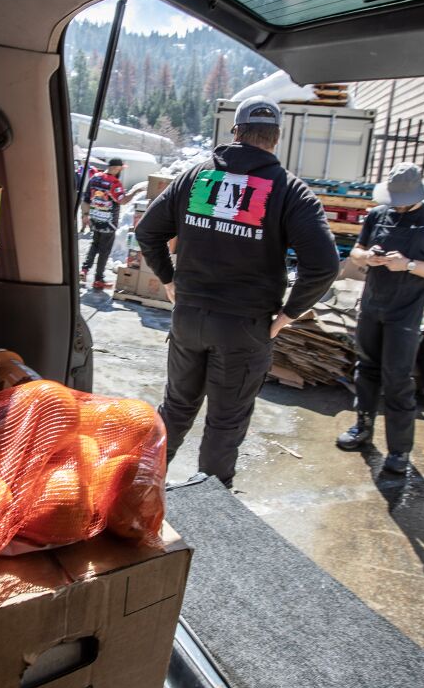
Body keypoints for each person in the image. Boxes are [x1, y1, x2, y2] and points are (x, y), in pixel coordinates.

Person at [135, 96, 339, 488]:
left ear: (236, 133)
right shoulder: (289, 190)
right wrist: (287, 316)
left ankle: (139, 492)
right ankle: (210, 514)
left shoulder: (196, 177)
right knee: (225, 423)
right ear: (276, 138)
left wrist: (170, 280)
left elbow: (148, 231)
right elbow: (325, 265)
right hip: (245, 326)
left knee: (176, 408)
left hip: (189, 318)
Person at [336, 162, 424, 474]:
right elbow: (356, 252)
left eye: (405, 200)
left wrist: (409, 265)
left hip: (406, 311)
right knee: (366, 369)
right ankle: (362, 427)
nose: (400, 206)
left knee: (398, 378)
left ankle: (399, 451)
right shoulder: (379, 215)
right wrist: (368, 257)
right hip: (373, 304)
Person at [80, 158, 135, 289]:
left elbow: (86, 198)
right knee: (104, 251)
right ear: (116, 168)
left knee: (95, 245)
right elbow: (122, 200)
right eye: (121, 169)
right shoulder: (114, 183)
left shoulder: (95, 178)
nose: (121, 171)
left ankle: (84, 270)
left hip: (95, 219)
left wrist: (85, 215)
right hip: (108, 223)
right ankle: (99, 279)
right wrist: (136, 191)